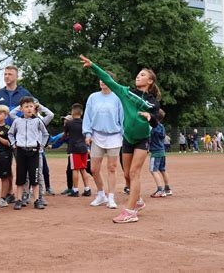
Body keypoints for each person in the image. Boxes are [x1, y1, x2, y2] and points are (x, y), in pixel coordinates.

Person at [80, 55, 160, 224]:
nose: (138, 76)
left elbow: (156, 115)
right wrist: (93, 66)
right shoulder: (126, 92)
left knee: (134, 172)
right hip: (128, 138)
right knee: (126, 174)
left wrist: (149, 117)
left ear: (150, 81)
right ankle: (137, 200)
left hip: (142, 139)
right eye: (138, 74)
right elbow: (108, 80)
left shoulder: (152, 100)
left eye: (143, 75)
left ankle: (130, 211)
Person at [82, 70, 124, 209]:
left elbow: (122, 118)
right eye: (100, 79)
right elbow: (87, 116)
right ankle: (101, 194)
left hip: (114, 136)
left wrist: (124, 135)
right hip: (97, 135)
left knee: (112, 168)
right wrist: (87, 134)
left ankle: (111, 197)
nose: (102, 81)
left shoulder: (118, 98)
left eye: (105, 79)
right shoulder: (93, 97)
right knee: (94, 169)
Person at [0, 65, 32, 203]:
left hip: (20, 135)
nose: (7, 76)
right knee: (6, 167)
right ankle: (9, 193)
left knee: (23, 165)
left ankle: (25, 193)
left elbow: (32, 111)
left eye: (10, 74)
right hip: (3, 136)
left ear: (16, 76)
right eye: (5, 74)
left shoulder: (24, 93)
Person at [8, 96, 49, 210]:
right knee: (20, 178)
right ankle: (19, 200)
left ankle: (37, 200)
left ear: (34, 108)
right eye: (26, 107)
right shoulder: (17, 121)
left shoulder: (37, 121)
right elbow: (10, 134)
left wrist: (41, 145)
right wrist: (13, 143)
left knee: (34, 177)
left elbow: (45, 134)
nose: (29, 109)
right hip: (20, 151)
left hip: (34, 152)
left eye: (31, 106)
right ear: (21, 109)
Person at [64, 103, 91, 197]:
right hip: (84, 148)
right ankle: (87, 188)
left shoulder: (69, 123)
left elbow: (65, 135)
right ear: (82, 112)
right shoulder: (85, 123)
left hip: (74, 148)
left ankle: (75, 190)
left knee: (75, 169)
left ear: (72, 112)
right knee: (83, 169)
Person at [149, 110, 172, 198]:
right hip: (162, 151)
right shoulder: (161, 126)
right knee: (163, 170)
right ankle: (167, 189)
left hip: (156, 152)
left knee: (153, 170)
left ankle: (160, 190)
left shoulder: (154, 127)